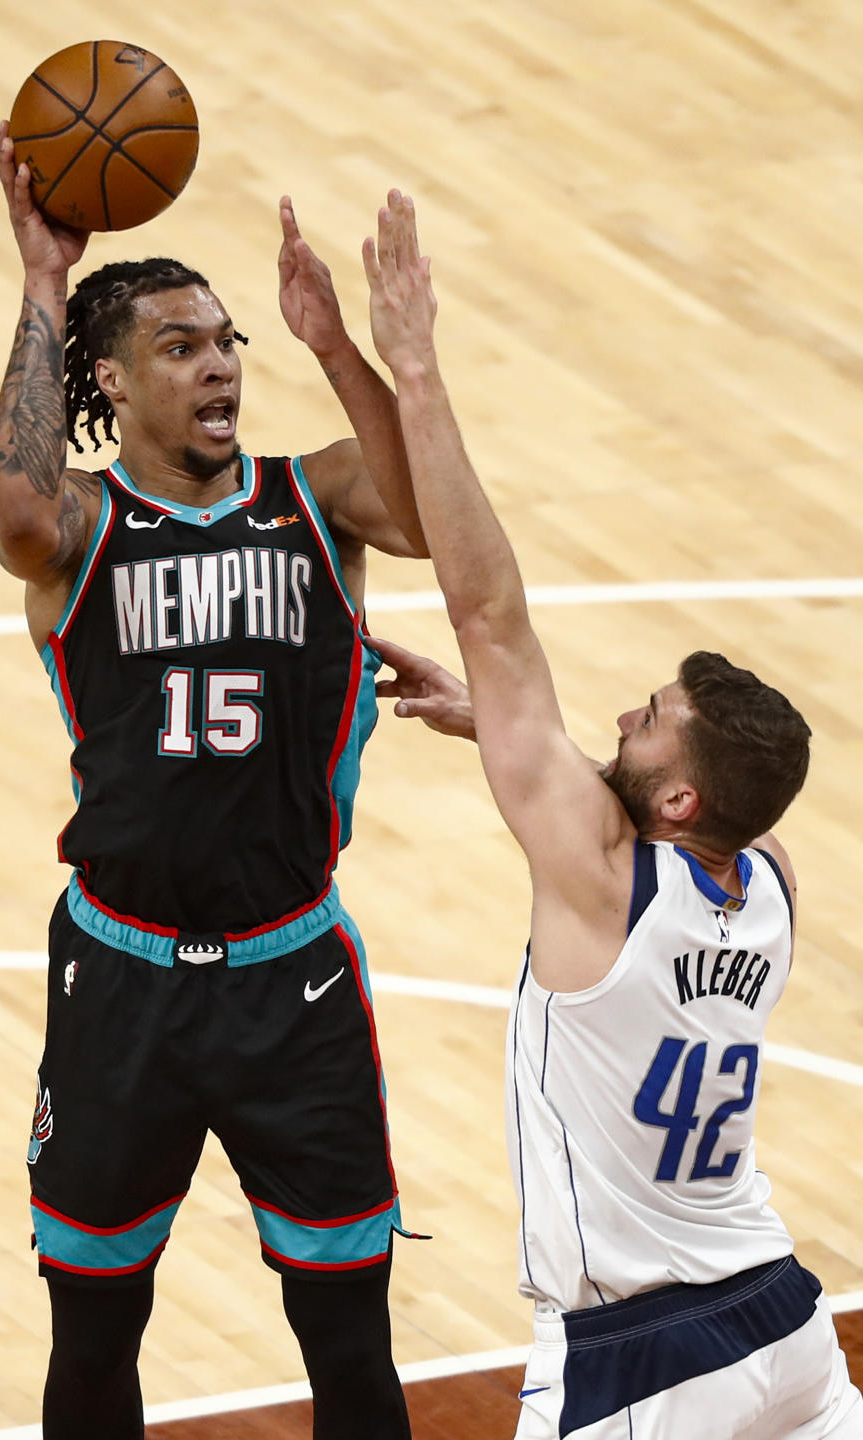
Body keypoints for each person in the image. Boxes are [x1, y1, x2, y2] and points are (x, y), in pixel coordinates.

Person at [361, 192, 863, 1438]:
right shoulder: (772, 882)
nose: (622, 722)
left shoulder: (607, 878)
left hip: (641, 1360)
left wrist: (414, 369)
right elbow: (641, 808)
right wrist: (524, 745)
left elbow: (491, 619)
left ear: (682, 796)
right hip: (788, 1331)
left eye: (644, 720)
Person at [0, 122, 428, 1440]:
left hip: (292, 979)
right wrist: (42, 287)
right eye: (181, 348)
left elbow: (426, 511)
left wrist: (337, 349)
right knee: (94, 1330)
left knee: (350, 1336)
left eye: (226, 340)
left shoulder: (320, 503)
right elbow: (13, 512)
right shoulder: (80, 532)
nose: (221, 363)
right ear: (111, 388)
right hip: (121, 982)